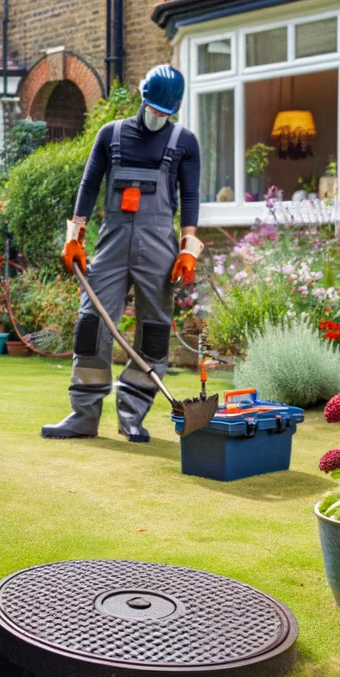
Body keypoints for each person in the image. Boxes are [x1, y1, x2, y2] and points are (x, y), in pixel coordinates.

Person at [42, 65, 202, 443]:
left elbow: (191, 197)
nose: (157, 116)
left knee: (154, 332)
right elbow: (90, 183)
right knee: (91, 324)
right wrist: (74, 235)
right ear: (142, 98)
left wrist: (188, 249)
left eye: (165, 112)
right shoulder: (110, 134)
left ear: (173, 110)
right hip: (111, 246)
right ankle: (84, 414)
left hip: (159, 249)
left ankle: (132, 414)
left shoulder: (185, 141)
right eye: (153, 107)